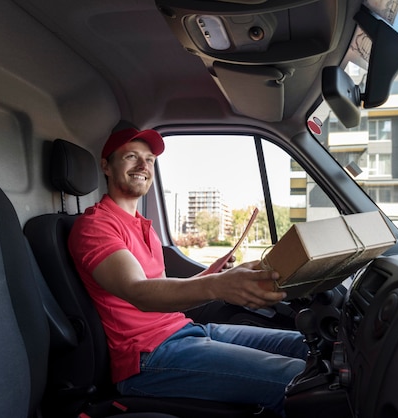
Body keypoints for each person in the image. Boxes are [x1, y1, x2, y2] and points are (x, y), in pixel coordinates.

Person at [68, 127, 308, 416]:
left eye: (150, 160)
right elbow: (139, 292)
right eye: (131, 157)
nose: (143, 166)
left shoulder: (142, 225)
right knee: (300, 380)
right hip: (147, 357)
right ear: (106, 166)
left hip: (185, 331)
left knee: (305, 345)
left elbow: (159, 289)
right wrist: (217, 286)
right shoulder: (96, 226)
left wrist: (212, 275)